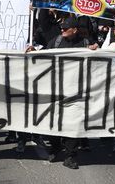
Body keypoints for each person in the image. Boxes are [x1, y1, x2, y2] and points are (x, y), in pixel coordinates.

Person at [31, 16, 98, 169]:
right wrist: (33, 52)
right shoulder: (56, 42)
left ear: (74, 30)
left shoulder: (85, 43)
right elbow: (44, 58)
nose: (62, 30)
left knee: (73, 124)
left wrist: (95, 51)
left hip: (76, 91)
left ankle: (70, 156)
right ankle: (55, 147)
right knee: (54, 122)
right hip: (56, 89)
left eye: (65, 28)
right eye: (61, 27)